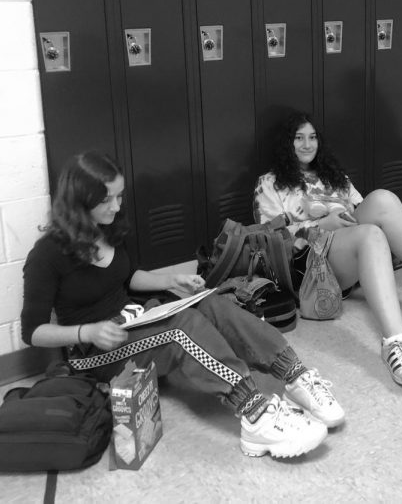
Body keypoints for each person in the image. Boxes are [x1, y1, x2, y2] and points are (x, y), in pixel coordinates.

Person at [20, 151, 344, 460]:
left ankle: (295, 375)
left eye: (119, 196)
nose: (116, 207)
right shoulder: (47, 254)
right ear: (79, 200)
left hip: (131, 320)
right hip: (95, 352)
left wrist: (171, 282)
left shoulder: (106, 228)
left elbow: (127, 276)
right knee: (180, 329)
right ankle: (254, 414)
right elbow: (33, 332)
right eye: (105, 199)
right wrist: (88, 330)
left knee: (209, 303)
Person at [253, 111, 402, 388]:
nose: (307, 144)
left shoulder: (332, 175)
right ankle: (396, 343)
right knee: (370, 235)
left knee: (383, 199)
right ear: (285, 144)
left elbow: (365, 209)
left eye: (312, 137)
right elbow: (269, 239)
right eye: (298, 138)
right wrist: (323, 223)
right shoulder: (269, 183)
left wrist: (348, 218)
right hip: (310, 268)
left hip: (347, 252)